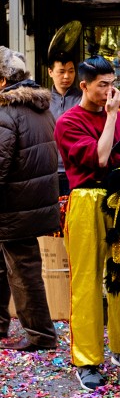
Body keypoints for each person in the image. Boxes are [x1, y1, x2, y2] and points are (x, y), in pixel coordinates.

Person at [54, 55, 120, 391]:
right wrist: (112, 118)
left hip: (117, 200)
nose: (109, 91)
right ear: (83, 86)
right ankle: (86, 359)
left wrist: (115, 119)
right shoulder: (68, 122)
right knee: (86, 282)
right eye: (102, 85)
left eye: (112, 83)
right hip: (84, 199)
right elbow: (101, 158)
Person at [0, 47, 58, 351]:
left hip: (14, 207)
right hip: (29, 202)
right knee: (8, 265)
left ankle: (41, 335)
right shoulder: (38, 108)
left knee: (23, 271)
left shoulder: (6, 113)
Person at [48, 50, 82, 196]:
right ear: (50, 72)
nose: (67, 76)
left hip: (76, 172)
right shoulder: (42, 100)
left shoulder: (83, 100)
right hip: (49, 172)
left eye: (71, 71)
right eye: (61, 71)